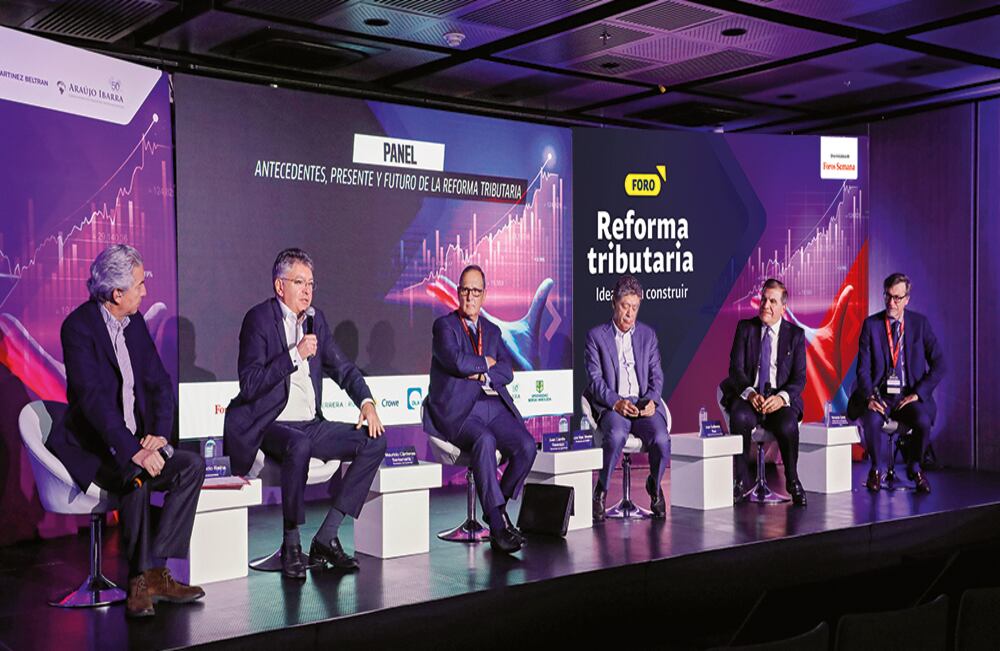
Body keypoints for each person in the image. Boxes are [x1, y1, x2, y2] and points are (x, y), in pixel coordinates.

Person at [46, 244, 205, 618]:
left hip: (138, 440)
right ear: (117, 294)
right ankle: (137, 578)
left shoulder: (134, 325)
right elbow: (93, 402)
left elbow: (160, 385)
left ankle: (155, 571)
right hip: (99, 446)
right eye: (138, 284)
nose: (145, 291)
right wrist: (134, 450)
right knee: (135, 476)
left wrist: (160, 437)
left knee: (190, 467)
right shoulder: (78, 328)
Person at [223, 248, 386, 579]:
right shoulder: (258, 320)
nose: (308, 291)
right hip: (269, 423)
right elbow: (250, 384)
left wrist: (366, 402)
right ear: (280, 286)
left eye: (311, 283)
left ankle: (326, 536)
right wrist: (293, 355)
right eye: (300, 282)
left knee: (373, 441)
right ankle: (292, 544)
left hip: (310, 424)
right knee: (298, 445)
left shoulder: (316, 320)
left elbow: (342, 367)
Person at [423, 265, 536, 554]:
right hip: (459, 411)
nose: (469, 296)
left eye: (475, 291)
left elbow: (507, 373)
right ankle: (498, 526)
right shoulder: (444, 326)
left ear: (484, 295)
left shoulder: (493, 332)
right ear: (458, 293)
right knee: (484, 441)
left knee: (526, 446)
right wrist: (486, 362)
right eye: (464, 290)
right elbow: (455, 361)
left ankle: (494, 508)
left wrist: (483, 373)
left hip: (491, 404)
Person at [584, 274, 670, 520]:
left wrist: (652, 400)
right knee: (617, 435)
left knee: (662, 439)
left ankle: (654, 485)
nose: (629, 314)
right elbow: (595, 381)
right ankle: (601, 489)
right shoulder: (596, 337)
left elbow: (657, 375)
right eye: (625, 306)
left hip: (642, 404)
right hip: (614, 405)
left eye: (634, 308)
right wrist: (616, 402)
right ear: (613, 303)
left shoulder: (648, 335)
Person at [849, 273, 944, 493]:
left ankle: (915, 467)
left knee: (922, 419)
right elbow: (862, 369)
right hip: (879, 395)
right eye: (888, 296)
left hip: (907, 396)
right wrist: (870, 397)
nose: (891, 303)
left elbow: (940, 364)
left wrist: (919, 393)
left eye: (897, 298)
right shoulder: (871, 325)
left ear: (907, 299)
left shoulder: (920, 325)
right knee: (871, 421)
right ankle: (875, 469)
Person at [720, 278, 807, 506]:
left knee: (788, 424)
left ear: (783, 307)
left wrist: (781, 399)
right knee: (739, 417)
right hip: (750, 397)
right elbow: (735, 370)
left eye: (772, 301)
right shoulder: (745, 328)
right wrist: (750, 393)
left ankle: (793, 480)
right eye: (764, 299)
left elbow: (799, 378)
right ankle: (739, 481)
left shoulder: (796, 336)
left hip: (778, 400)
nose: (765, 305)